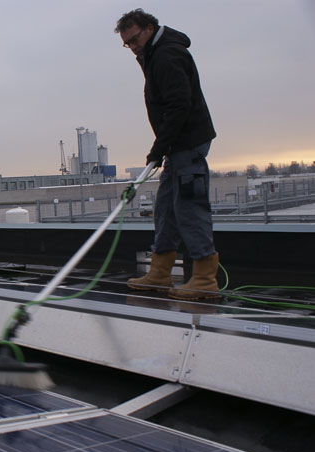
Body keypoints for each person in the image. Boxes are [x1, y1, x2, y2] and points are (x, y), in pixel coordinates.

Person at [115, 9, 219, 300]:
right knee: (165, 209)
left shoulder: (167, 55)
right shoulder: (154, 54)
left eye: (135, 39)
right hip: (176, 146)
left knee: (189, 208)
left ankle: (204, 278)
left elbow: (178, 106)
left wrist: (158, 149)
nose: (133, 47)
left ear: (149, 28)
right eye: (127, 44)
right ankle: (160, 273)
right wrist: (164, 149)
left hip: (187, 144)